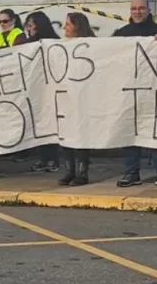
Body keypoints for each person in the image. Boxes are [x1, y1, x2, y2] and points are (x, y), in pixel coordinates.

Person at [114, 0, 157, 189]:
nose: (137, 12)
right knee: (130, 132)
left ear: (148, 10)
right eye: (134, 8)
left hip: (156, 91)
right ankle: (131, 172)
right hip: (129, 92)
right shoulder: (120, 35)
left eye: (141, 8)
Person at [58, 12, 94, 186]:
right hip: (66, 97)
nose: (64, 28)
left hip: (84, 97)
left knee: (80, 135)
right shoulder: (61, 45)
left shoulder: (92, 46)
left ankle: (82, 173)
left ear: (77, 26)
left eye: (68, 24)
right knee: (65, 135)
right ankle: (69, 171)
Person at [25, 11, 61, 173]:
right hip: (36, 90)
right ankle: (44, 159)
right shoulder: (29, 44)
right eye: (28, 25)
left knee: (51, 126)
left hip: (51, 90)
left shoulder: (53, 42)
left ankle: (53, 159)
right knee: (39, 126)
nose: (29, 28)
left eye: (31, 25)